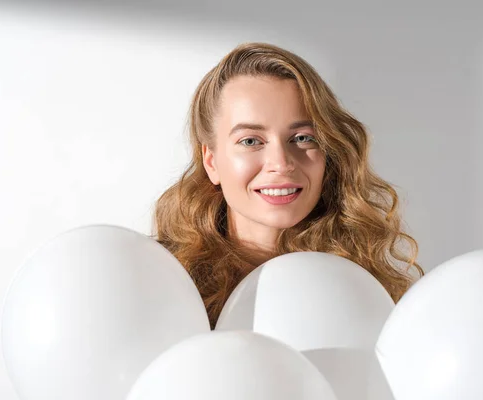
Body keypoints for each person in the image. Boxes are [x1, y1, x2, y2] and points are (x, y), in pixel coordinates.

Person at [152, 42, 423, 329]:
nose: (281, 163)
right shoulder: (162, 282)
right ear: (212, 162)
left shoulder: (364, 287)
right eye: (250, 141)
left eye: (302, 137)